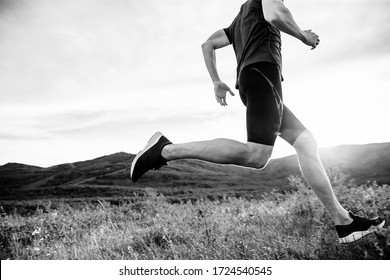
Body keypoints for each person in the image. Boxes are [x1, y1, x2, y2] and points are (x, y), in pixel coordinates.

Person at [130, 0, 385, 244]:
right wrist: (302, 35)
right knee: (257, 156)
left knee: (306, 142)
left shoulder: (240, 19)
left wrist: (216, 81)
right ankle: (164, 150)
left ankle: (343, 221)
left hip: (254, 80)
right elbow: (275, 14)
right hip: (263, 74)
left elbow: (207, 45)